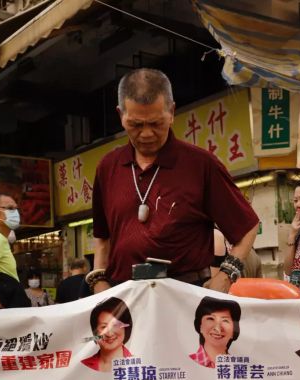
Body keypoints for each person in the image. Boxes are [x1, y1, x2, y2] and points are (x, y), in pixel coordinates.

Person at [88, 68, 259, 295]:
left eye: (156, 123)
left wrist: (226, 276)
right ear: (120, 115)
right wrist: (99, 285)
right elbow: (103, 239)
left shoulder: (200, 164)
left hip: (185, 293)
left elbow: (247, 226)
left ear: (171, 111)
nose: (147, 134)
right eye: (136, 124)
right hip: (124, 296)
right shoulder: (108, 167)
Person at [82, 297, 133, 372]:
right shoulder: (82, 366)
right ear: (95, 332)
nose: (109, 334)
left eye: (115, 325)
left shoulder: (139, 363)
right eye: (103, 327)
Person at [189, 297, 241, 368]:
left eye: (225, 320)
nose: (217, 329)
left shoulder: (240, 367)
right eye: (211, 318)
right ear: (200, 326)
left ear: (234, 330)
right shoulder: (185, 362)